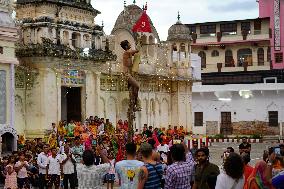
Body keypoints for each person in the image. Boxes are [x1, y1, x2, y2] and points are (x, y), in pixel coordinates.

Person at [120, 39, 140, 111]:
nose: (130, 44)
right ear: (126, 46)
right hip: (127, 74)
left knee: (134, 89)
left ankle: (134, 104)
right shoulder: (126, 52)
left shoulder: (128, 53)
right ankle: (135, 103)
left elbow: (135, 53)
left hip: (130, 73)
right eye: (129, 44)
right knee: (137, 86)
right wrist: (139, 42)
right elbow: (136, 51)